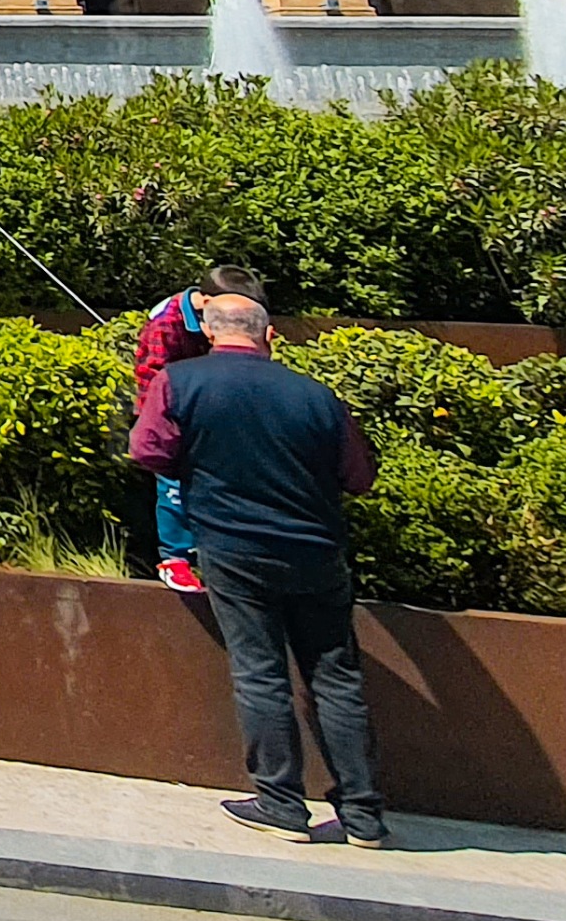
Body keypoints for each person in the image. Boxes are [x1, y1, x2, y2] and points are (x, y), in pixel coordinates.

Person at [130, 288, 389, 848]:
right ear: (269, 336)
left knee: (260, 673)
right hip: (317, 551)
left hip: (232, 548)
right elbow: (359, 476)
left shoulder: (181, 382)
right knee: (336, 678)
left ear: (209, 332)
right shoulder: (317, 395)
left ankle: (281, 803)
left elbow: (148, 451)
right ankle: (364, 816)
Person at [133, 264, 260, 596]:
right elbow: (151, 378)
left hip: (210, 404)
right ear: (206, 302)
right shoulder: (166, 324)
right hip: (174, 409)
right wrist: (163, 424)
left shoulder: (220, 321)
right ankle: (175, 559)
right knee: (173, 483)